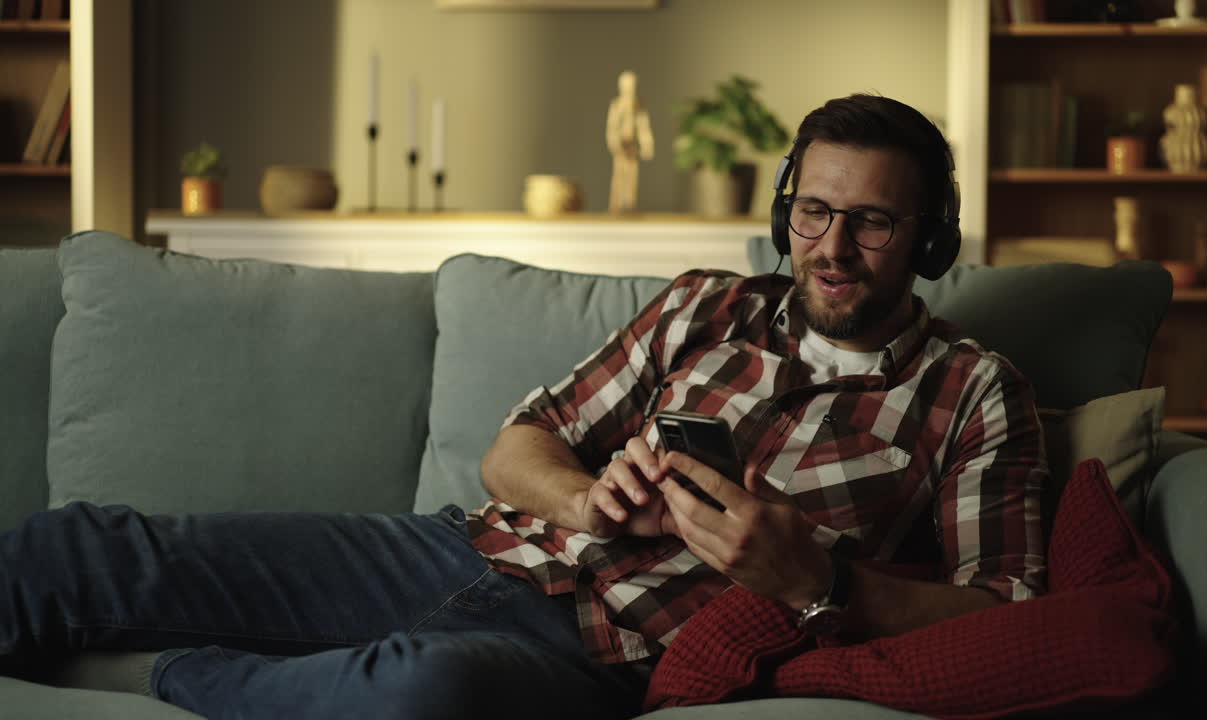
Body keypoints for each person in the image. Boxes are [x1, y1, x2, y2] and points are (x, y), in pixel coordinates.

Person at [0, 93, 1045, 720]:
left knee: (421, 698)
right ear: (786, 211)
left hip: (603, 652)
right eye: (813, 211)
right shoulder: (707, 305)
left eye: (868, 221)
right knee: (94, 548)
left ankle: (183, 671)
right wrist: (590, 499)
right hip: (473, 553)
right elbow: (517, 449)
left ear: (928, 239)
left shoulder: (970, 393)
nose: (829, 245)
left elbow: (1009, 610)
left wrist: (817, 579)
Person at [606, 70, 654, 213]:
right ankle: (615, 205)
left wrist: (647, 145)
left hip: (632, 145)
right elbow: (612, 126)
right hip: (621, 144)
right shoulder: (617, 105)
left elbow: (643, 127)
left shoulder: (638, 106)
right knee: (619, 175)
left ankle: (631, 204)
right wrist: (613, 142)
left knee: (632, 175)